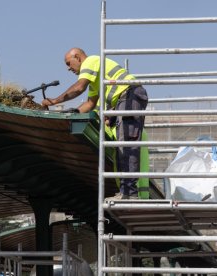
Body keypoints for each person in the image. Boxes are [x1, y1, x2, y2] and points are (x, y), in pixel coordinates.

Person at [42, 48, 148, 199]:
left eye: (69, 63)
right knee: (121, 146)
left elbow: (79, 87)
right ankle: (126, 192)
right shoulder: (95, 80)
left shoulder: (91, 61)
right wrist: (71, 114)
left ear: (77, 57)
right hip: (124, 99)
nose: (68, 68)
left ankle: (129, 193)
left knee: (127, 144)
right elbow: (90, 104)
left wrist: (55, 101)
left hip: (129, 96)